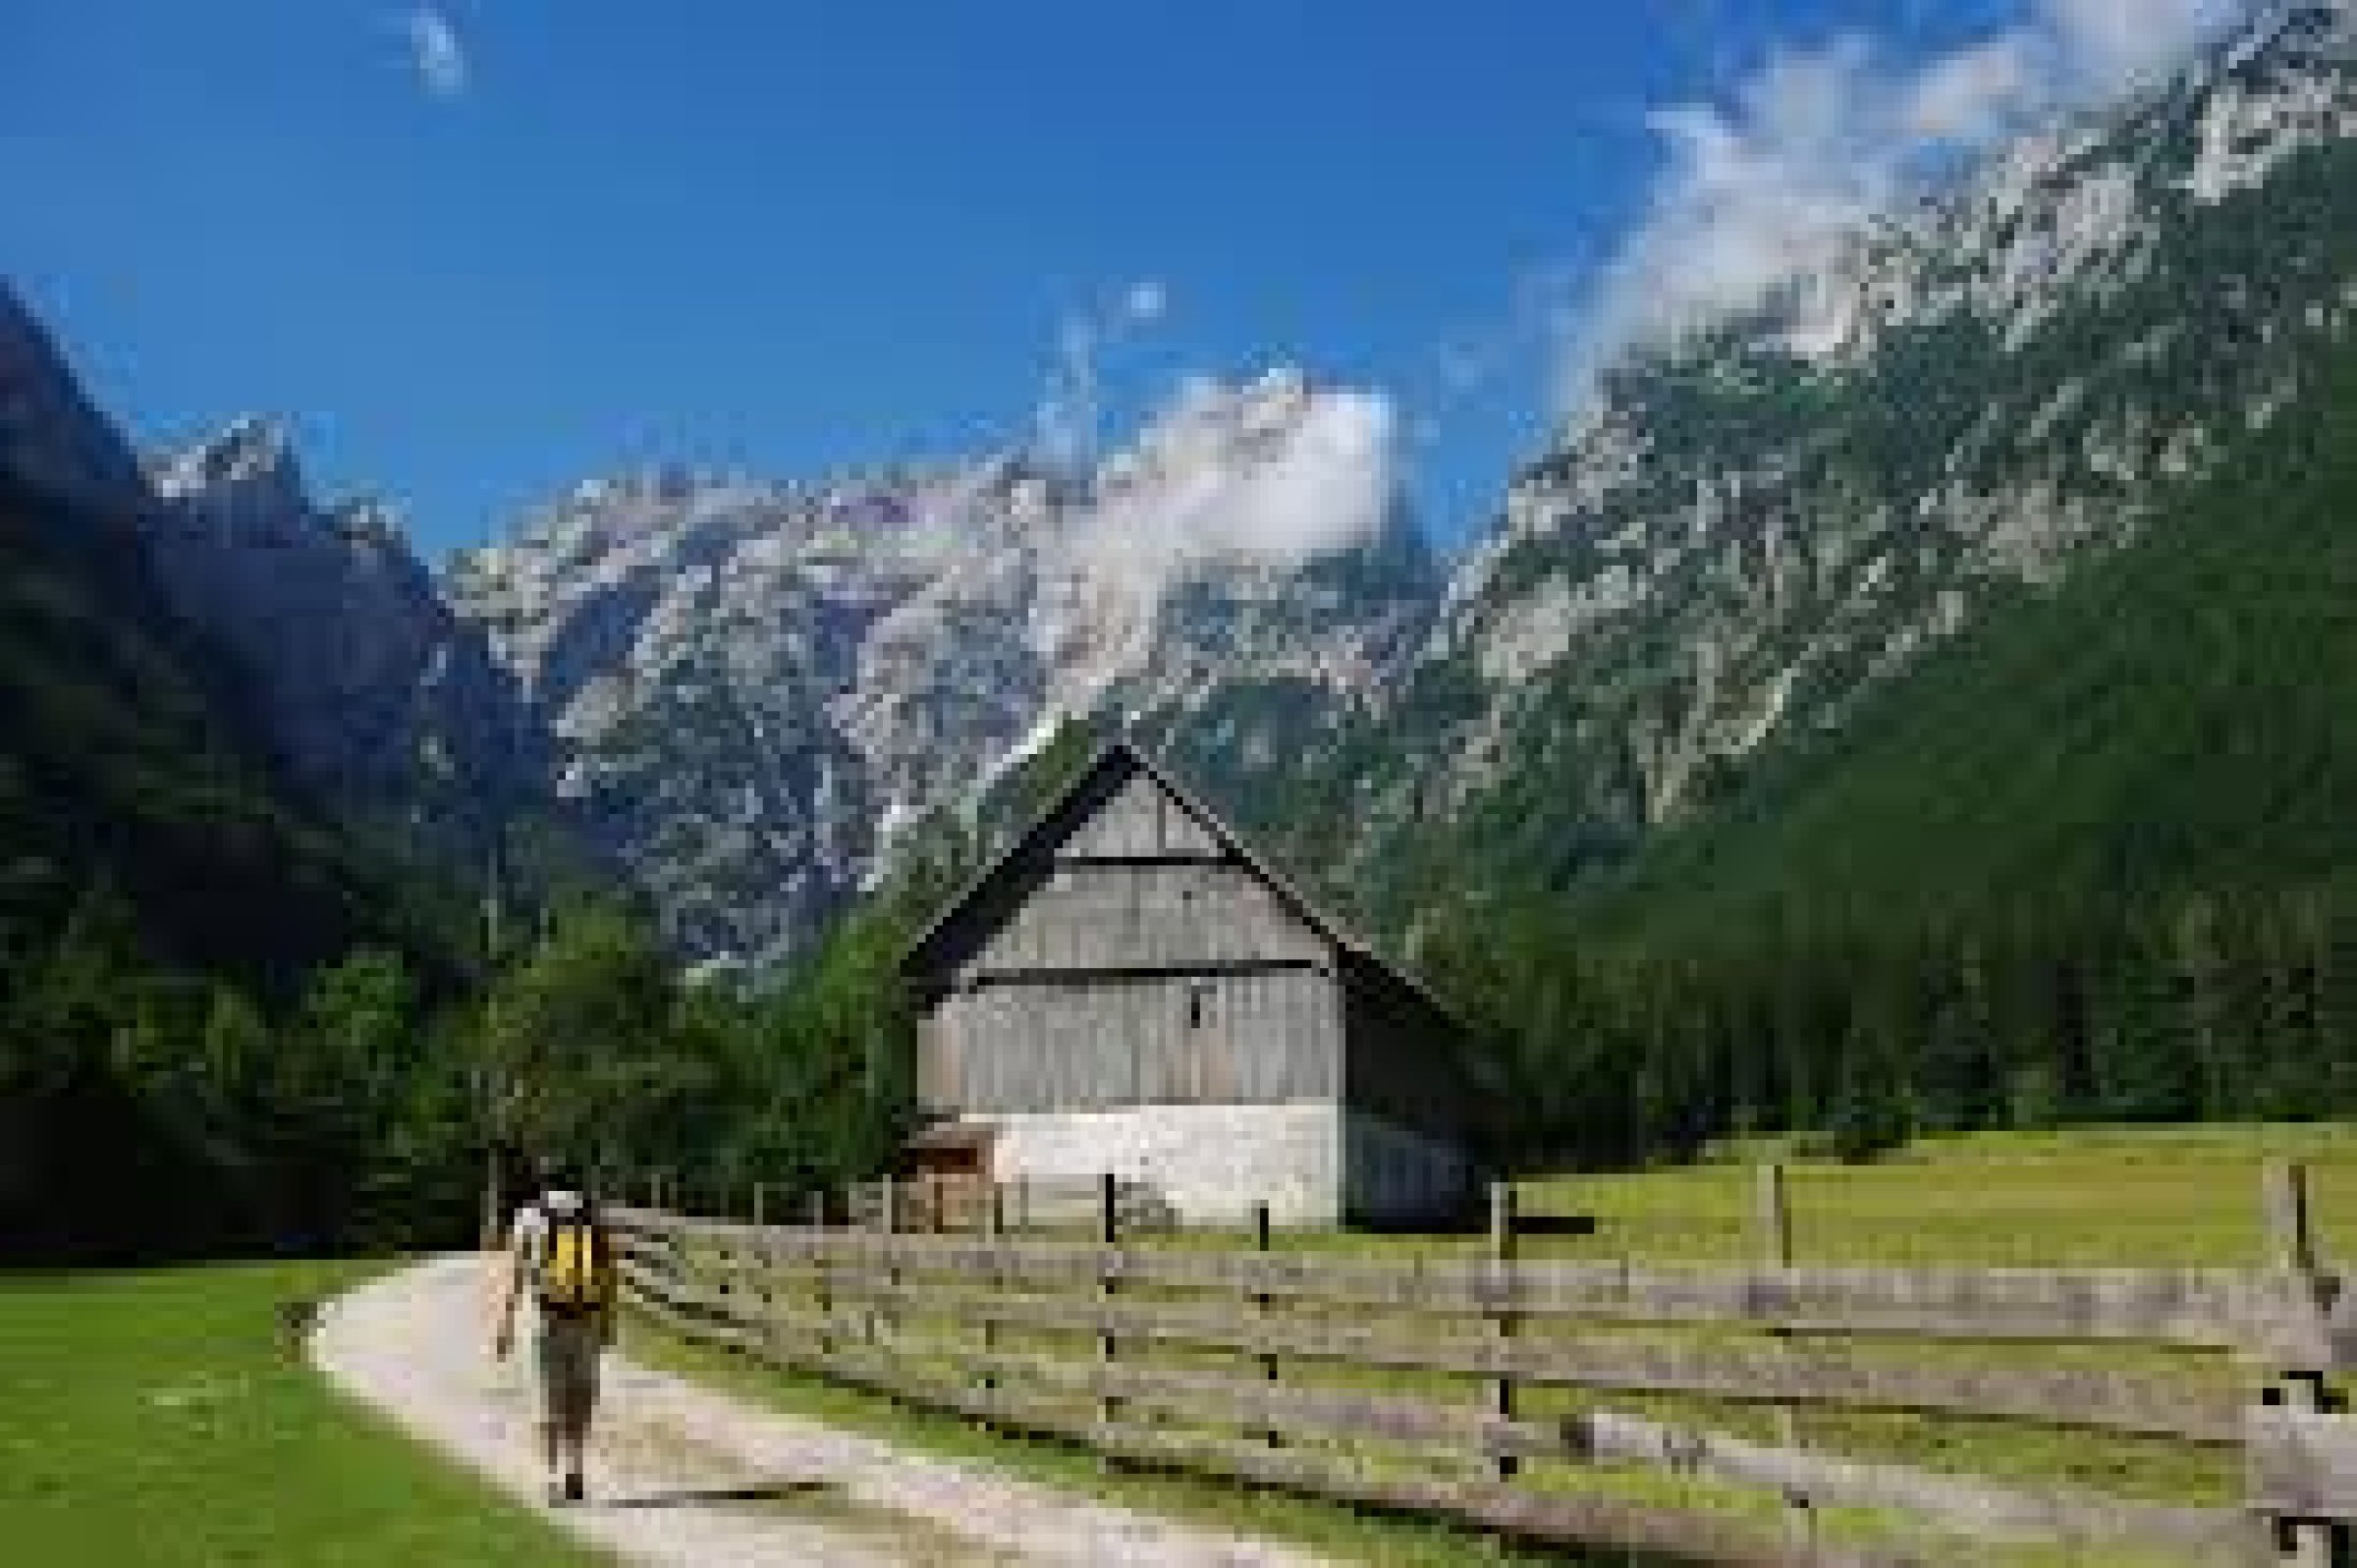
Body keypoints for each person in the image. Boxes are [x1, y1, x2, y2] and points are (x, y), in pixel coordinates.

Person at [491, 1156, 617, 1506]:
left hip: (545, 1318)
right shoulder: (593, 1215)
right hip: (587, 1317)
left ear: (542, 1182)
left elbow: (517, 1273)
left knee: (547, 1398)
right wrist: (608, 1320)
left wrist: (506, 1323)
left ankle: (549, 1479)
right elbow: (609, 1272)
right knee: (580, 1397)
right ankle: (575, 1471)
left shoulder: (529, 1217)